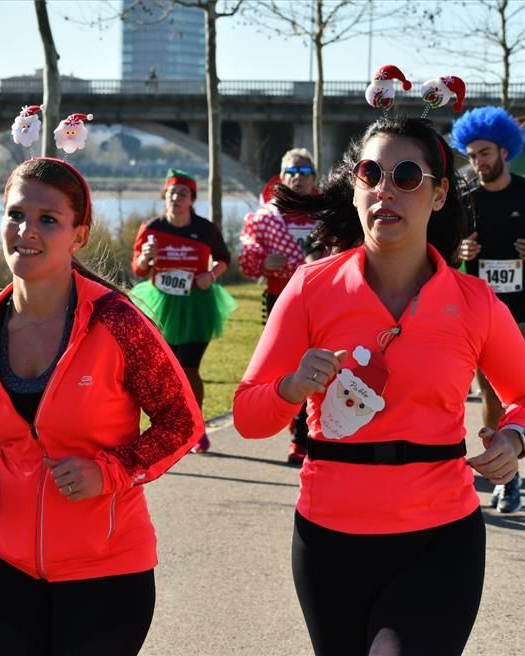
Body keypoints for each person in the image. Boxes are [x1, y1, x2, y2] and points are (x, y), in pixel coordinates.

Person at [233, 116, 525, 655]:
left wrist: (513, 438)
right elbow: (249, 417)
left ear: (439, 194)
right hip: (329, 540)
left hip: (440, 540)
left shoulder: (473, 301)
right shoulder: (311, 287)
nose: (385, 189)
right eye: (371, 174)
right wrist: (293, 386)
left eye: (407, 175)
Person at [0, 157, 204, 656]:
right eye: (15, 215)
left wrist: (110, 470)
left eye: (48, 220)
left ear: (78, 235)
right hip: (0, 567)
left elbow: (182, 422)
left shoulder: (118, 323)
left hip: (105, 575)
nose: (26, 231)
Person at [451, 105, 525, 513]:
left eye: (485, 153)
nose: (478, 161)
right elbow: (442, 253)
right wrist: (461, 251)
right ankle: (507, 478)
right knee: (492, 396)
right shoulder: (464, 198)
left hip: (524, 309)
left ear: (504, 152)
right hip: (484, 314)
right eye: (472, 154)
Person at [130, 168, 234, 451]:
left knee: (188, 368)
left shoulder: (205, 229)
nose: (176, 197)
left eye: (183, 193)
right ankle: (168, 426)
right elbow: (138, 269)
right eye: (172, 192)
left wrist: (210, 276)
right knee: (164, 371)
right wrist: (145, 259)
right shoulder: (152, 228)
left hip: (197, 305)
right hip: (160, 304)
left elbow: (224, 258)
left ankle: (196, 427)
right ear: (165, 196)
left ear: (192, 199)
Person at [238, 148, 325, 465]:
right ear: (281, 177)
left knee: (318, 365)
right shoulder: (263, 217)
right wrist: (263, 261)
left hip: (323, 301)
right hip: (279, 301)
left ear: (314, 177)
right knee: (287, 368)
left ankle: (304, 437)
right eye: (292, 172)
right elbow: (247, 261)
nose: (298, 179)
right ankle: (296, 424)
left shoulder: (327, 213)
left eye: (304, 173)